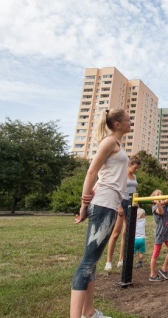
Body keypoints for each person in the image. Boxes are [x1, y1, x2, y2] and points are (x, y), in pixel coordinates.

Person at [70, 108, 131, 318]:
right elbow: (91, 171)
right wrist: (83, 204)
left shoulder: (117, 145)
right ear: (117, 124)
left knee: (91, 262)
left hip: (109, 203)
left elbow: (103, 176)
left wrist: (89, 199)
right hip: (104, 204)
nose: (130, 122)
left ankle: (88, 313)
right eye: (128, 119)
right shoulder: (109, 142)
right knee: (87, 262)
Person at [104, 156, 141, 273]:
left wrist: (136, 204)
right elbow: (117, 191)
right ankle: (108, 262)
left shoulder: (134, 176)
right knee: (116, 233)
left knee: (127, 233)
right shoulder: (122, 175)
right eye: (135, 167)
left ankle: (121, 259)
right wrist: (119, 206)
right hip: (121, 203)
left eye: (137, 168)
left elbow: (133, 191)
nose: (136, 170)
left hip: (132, 203)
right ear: (130, 165)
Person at [149, 190, 168, 282]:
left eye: (161, 194)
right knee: (156, 253)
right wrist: (159, 203)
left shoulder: (165, 204)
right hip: (160, 232)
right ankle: (152, 274)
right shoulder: (154, 207)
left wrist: (163, 201)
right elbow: (161, 212)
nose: (160, 195)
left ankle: (164, 269)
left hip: (167, 231)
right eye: (157, 195)